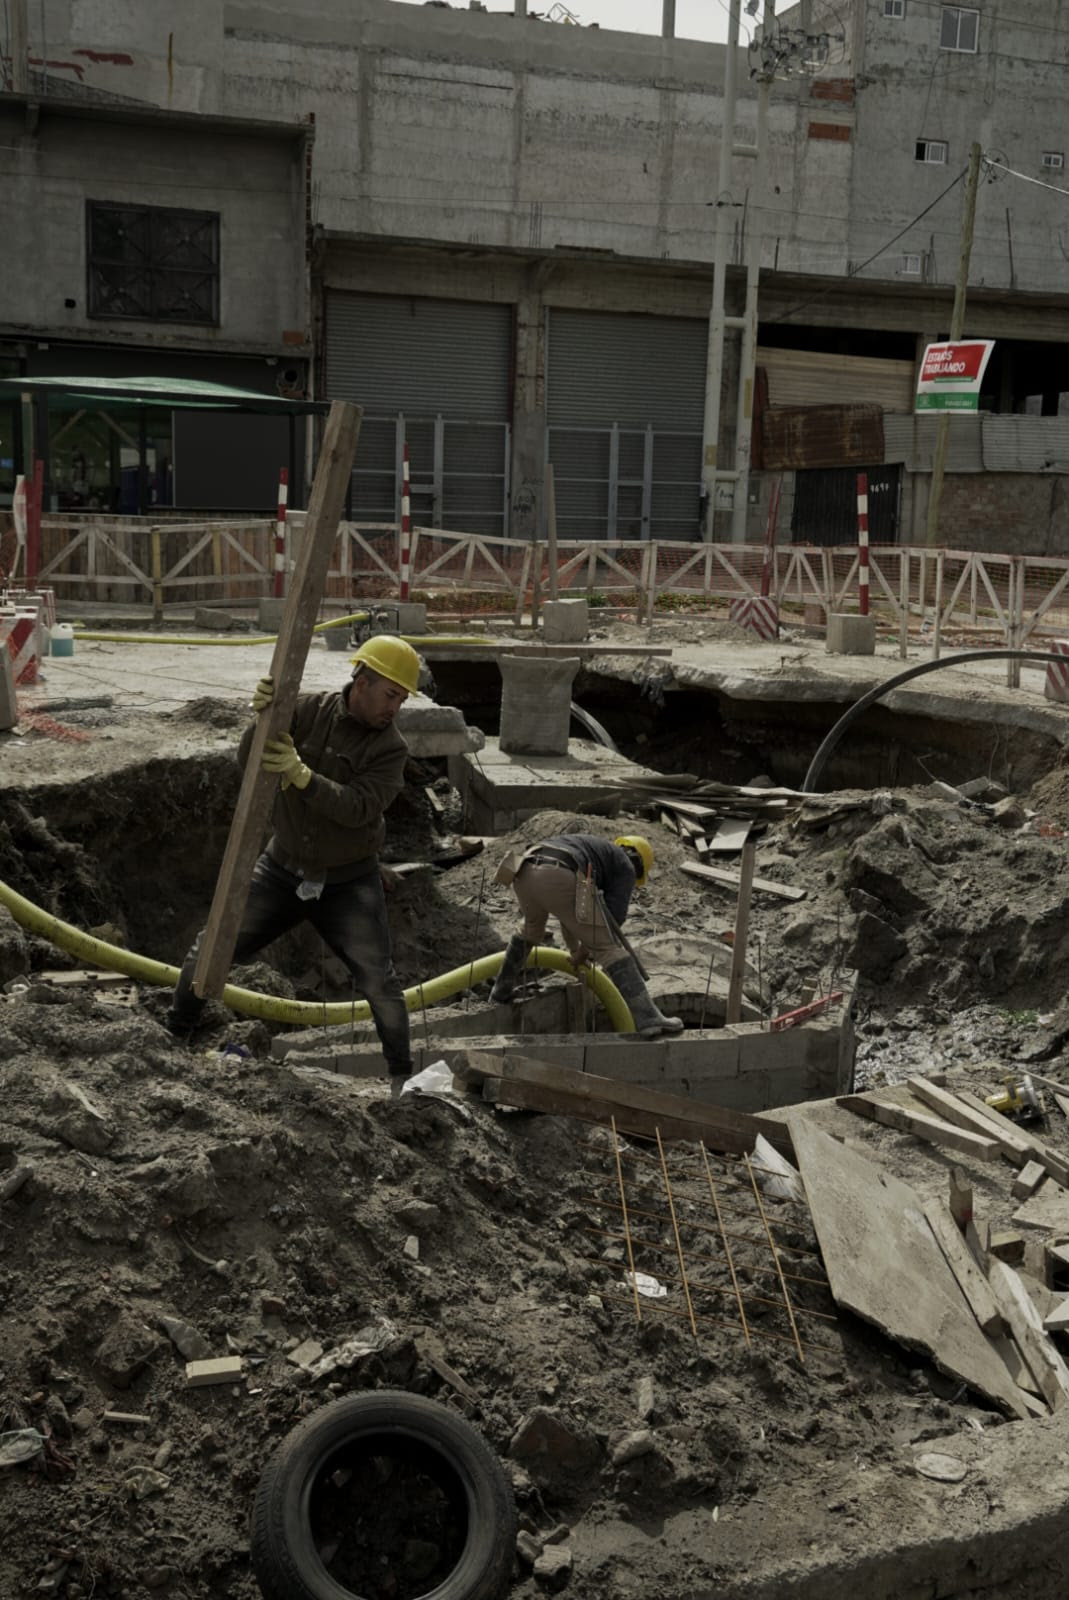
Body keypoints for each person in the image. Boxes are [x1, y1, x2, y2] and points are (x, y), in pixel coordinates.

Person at [166, 635, 421, 1077]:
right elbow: (250, 761)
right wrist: (262, 720)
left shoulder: (390, 748)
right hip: (282, 867)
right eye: (391, 694)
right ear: (361, 681)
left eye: (401, 699)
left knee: (379, 981)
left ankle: (402, 1076)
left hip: (347, 879)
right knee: (213, 946)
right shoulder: (306, 711)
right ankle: (173, 1038)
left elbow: (359, 807)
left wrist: (303, 775)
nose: (395, 708)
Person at [490, 832, 684, 1039]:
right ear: (639, 864)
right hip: (559, 874)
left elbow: (571, 914)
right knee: (608, 948)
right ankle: (648, 1018)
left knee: (530, 931)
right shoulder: (625, 865)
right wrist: (586, 950)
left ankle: (500, 992)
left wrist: (577, 951)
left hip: (523, 871)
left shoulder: (594, 850)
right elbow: (614, 918)